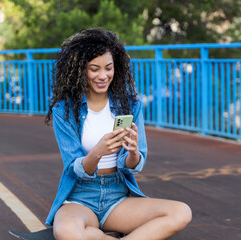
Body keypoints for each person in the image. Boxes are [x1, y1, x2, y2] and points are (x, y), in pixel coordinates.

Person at [44, 28, 192, 240]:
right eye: (94, 69)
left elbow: (134, 165)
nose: (103, 76)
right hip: (80, 197)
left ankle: (97, 236)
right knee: (65, 232)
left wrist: (132, 154)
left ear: (117, 67)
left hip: (117, 196)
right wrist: (97, 153)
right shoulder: (65, 110)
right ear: (80, 70)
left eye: (108, 68)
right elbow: (73, 167)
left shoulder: (130, 104)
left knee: (181, 212)